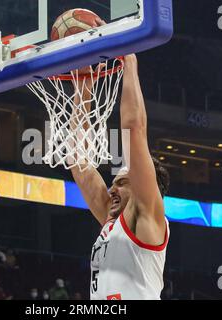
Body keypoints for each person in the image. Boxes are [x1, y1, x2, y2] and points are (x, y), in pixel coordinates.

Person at [69, 51, 170, 300]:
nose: (112, 189)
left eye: (122, 182)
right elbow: (78, 160)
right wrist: (83, 88)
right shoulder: (111, 220)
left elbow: (134, 128)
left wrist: (128, 57)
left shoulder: (146, 214)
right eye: (114, 183)